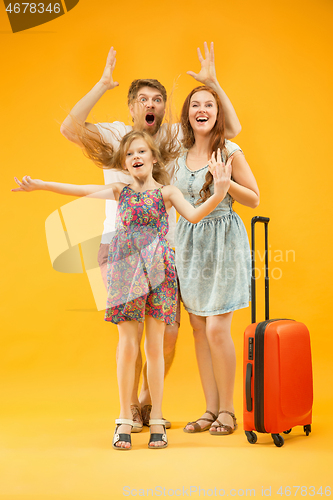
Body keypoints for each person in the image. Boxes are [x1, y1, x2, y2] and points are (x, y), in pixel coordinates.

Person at [59, 42, 242, 430]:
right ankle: (129, 413)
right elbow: (69, 128)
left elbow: (229, 128)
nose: (152, 104)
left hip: (166, 248)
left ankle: (145, 400)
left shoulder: (175, 138)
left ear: (163, 108)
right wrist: (102, 84)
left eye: (157, 99)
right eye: (143, 99)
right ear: (131, 106)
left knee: (169, 333)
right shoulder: (115, 134)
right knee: (132, 333)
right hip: (120, 246)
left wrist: (212, 83)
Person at [12, 129, 233, 450]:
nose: (136, 158)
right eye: (130, 155)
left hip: (159, 271)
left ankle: (157, 417)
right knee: (128, 346)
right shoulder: (119, 190)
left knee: (155, 348)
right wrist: (42, 185)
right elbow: (81, 190)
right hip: (125, 270)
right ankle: (124, 420)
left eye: (142, 152)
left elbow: (195, 216)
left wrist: (219, 192)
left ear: (154, 158)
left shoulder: (168, 192)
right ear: (125, 163)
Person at [174, 86, 260, 435]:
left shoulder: (230, 150)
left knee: (216, 328)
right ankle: (210, 410)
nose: (202, 109)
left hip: (224, 241)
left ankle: (228, 411)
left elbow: (254, 198)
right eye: (195, 104)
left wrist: (226, 187)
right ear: (188, 114)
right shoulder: (177, 155)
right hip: (190, 244)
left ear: (217, 111)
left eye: (209, 104)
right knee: (197, 328)